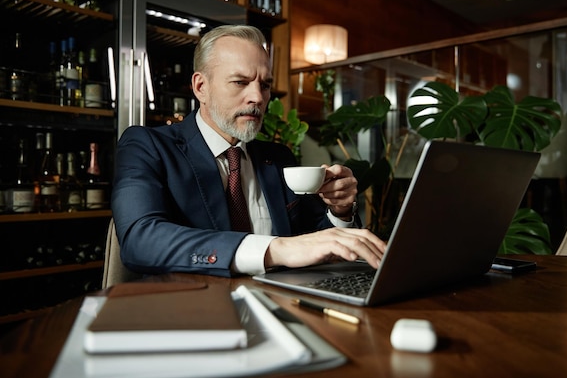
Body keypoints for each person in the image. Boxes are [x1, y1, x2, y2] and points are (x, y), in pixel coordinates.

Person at [111, 24, 386, 277]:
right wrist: (276, 249)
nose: (258, 97)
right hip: (193, 313)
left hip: (281, 307)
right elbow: (140, 239)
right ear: (201, 87)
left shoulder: (279, 159)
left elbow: (318, 242)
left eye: (265, 85)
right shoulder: (146, 146)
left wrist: (340, 212)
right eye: (241, 82)